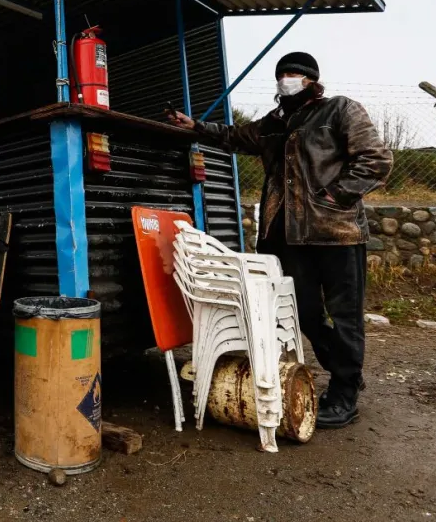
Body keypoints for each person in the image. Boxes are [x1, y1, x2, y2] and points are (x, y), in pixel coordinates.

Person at [167, 52, 392, 429]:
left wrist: (335, 196)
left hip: (336, 234)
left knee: (345, 318)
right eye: (283, 73)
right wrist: (196, 127)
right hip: (287, 238)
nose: (287, 79)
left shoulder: (339, 110)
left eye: (295, 74)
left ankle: (344, 393)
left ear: (311, 80)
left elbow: (376, 159)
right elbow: (234, 136)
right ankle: (346, 370)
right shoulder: (274, 123)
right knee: (303, 312)